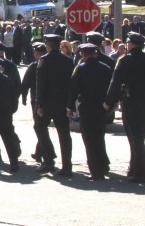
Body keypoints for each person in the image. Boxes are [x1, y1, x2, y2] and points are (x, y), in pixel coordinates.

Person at [104, 32, 145, 184]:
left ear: (131, 44)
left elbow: (115, 83)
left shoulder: (124, 61)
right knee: (139, 136)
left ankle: (140, 172)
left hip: (130, 102)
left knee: (135, 138)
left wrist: (110, 102)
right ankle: (135, 167)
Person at [68, 43, 113, 180]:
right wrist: (110, 105)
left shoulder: (81, 68)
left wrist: (70, 107)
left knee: (89, 138)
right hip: (101, 106)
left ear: (83, 54)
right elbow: (111, 87)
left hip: (87, 106)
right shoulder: (105, 68)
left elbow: (74, 88)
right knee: (99, 136)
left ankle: (96, 171)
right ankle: (103, 164)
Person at [34, 34, 74, 177]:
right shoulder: (68, 60)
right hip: (63, 101)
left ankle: (49, 159)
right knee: (64, 133)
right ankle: (67, 165)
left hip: (48, 101)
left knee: (39, 127)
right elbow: (72, 83)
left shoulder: (44, 60)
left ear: (48, 46)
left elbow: (41, 84)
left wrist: (39, 104)